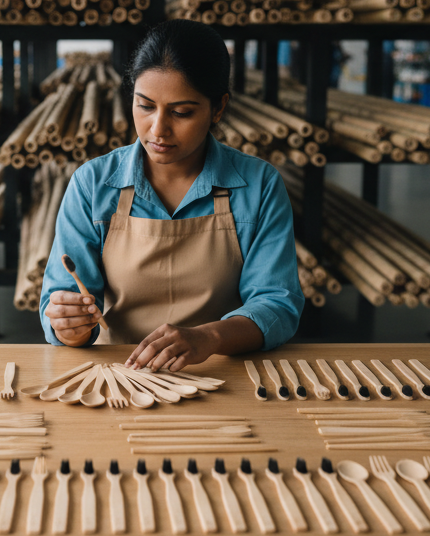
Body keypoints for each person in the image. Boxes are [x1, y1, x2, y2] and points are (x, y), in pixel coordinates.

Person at [39, 20, 303, 372]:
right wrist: (68, 326)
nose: (158, 129)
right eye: (145, 106)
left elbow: (276, 304)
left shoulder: (259, 185)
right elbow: (62, 301)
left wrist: (209, 337)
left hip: (221, 373)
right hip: (119, 378)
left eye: (182, 112)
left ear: (218, 108)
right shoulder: (92, 184)